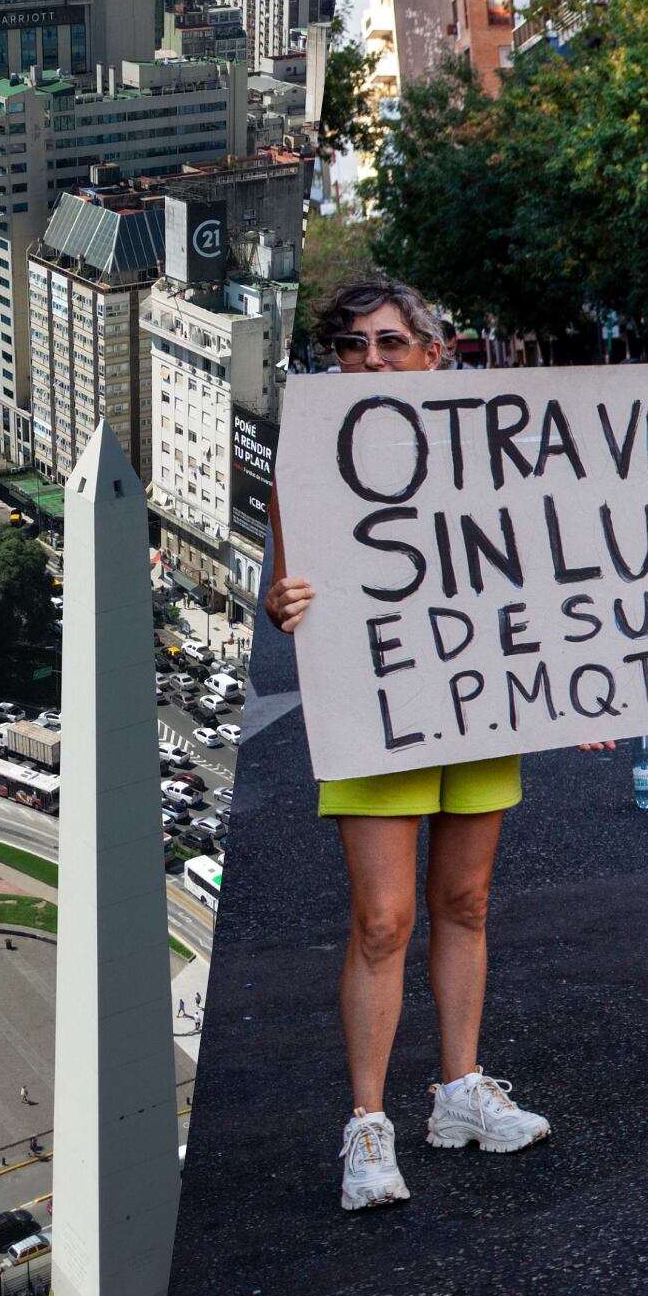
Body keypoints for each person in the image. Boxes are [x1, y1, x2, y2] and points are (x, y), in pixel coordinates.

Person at [265, 276, 554, 1214]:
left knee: (466, 900)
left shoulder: (487, 450)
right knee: (384, 920)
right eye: (353, 347)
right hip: (376, 706)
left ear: (435, 353)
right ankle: (368, 1125)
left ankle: (460, 1093)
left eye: (391, 343)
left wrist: (582, 690)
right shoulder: (308, 459)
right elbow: (285, 589)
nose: (372, 361)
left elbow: (544, 565)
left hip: (477, 700)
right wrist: (283, 604)